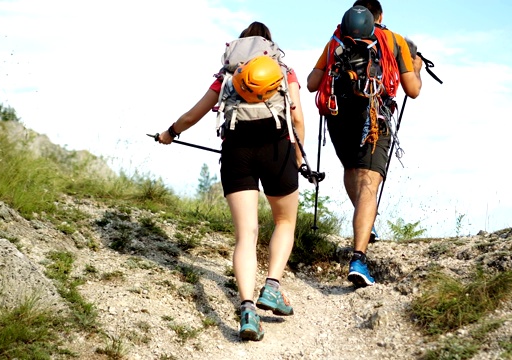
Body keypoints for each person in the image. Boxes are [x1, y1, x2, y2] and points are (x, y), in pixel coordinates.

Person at [157, 21, 305, 341]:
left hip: (237, 153)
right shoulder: (282, 68)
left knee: (246, 234)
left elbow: (194, 114)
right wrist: (299, 156)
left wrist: (170, 133)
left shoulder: (227, 75)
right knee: (284, 220)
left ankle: (248, 309)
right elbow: (296, 116)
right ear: (268, 44)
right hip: (278, 150)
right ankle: (273, 288)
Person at [306, 2, 422, 288]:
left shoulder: (336, 40)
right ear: (379, 17)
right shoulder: (394, 40)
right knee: (369, 182)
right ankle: (358, 258)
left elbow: (311, 83)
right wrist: (416, 67)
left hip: (338, 115)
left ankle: (365, 224)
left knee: (351, 168)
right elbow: (413, 90)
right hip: (374, 116)